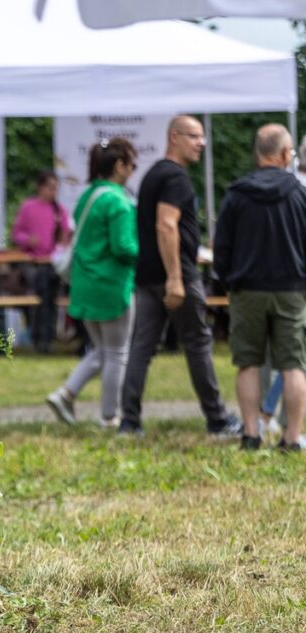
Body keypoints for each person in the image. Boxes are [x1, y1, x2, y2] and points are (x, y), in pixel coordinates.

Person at [119, 115, 240, 437]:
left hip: (147, 275)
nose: (201, 142)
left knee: (141, 348)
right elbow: (165, 225)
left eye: (202, 136)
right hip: (177, 277)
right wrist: (175, 277)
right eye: (194, 136)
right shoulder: (176, 177)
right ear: (174, 137)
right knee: (198, 343)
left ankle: (129, 422)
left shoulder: (152, 175)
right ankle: (217, 420)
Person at [213, 123, 306, 451]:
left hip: (247, 289)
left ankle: (251, 434)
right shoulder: (299, 193)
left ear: (257, 153)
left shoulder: (237, 193)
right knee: (293, 364)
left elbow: (221, 246)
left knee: (248, 363)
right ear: (284, 153)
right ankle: (291, 437)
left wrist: (227, 279)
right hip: (291, 290)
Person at [46, 139, 139, 427]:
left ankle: (66, 393)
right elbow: (124, 247)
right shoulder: (119, 201)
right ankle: (110, 416)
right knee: (117, 354)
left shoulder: (88, 195)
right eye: (132, 165)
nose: (133, 171)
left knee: (102, 351)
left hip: (85, 284)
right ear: (119, 166)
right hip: (111, 285)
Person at [12, 170, 72, 353]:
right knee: (45, 290)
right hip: (33, 264)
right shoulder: (28, 207)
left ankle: (46, 338)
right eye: (50, 187)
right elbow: (16, 234)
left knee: (50, 290)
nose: (53, 191)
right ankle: (43, 338)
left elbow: (67, 235)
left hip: (53, 264)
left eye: (56, 188)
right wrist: (28, 240)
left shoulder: (59, 210)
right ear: (40, 187)